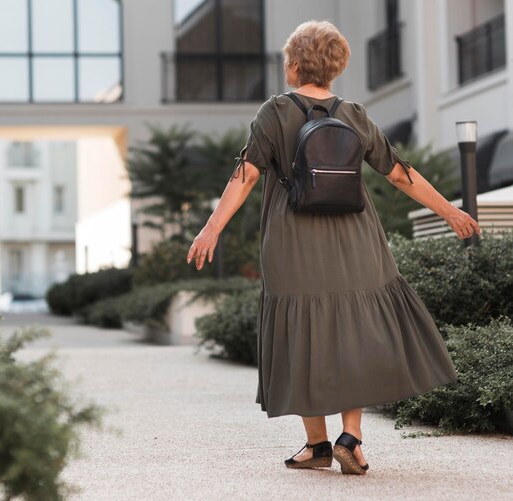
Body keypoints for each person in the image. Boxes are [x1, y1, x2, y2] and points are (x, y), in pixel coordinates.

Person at [185, 20, 480, 475]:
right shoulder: (354, 113)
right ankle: (352, 438)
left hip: (292, 240)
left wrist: (211, 228)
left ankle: (317, 445)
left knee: (303, 334)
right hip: (355, 238)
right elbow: (400, 174)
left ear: (296, 64)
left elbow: (244, 176)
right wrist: (451, 212)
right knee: (355, 333)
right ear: (335, 68)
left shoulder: (274, 112)